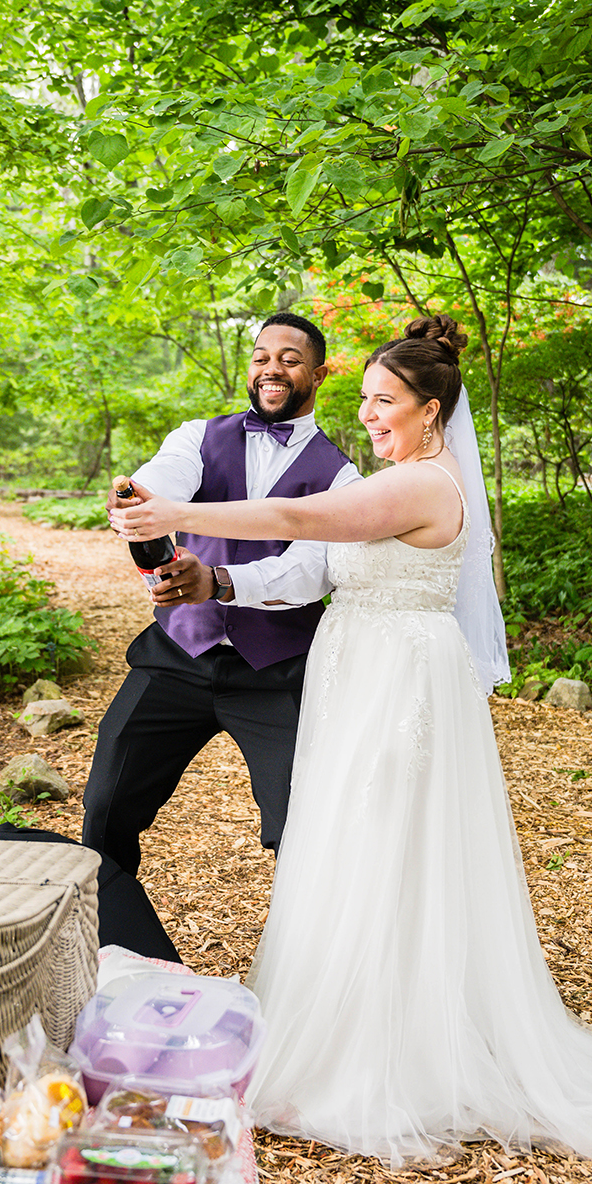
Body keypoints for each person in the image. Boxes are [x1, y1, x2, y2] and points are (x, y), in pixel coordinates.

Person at [111, 314, 592, 1165]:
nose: (367, 414)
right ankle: (343, 1010)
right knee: (345, 843)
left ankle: (391, 1050)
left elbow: (297, 515)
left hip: (401, 685)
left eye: (384, 400)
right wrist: (212, 572)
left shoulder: (426, 485)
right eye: (363, 398)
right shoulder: (390, 475)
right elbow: (310, 564)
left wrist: (178, 511)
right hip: (358, 676)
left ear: (431, 411)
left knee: (387, 844)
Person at [81, 312, 362, 908]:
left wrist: (220, 581)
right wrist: (138, 502)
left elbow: (313, 572)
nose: (271, 368)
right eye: (261, 356)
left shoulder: (342, 476)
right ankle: (109, 948)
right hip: (179, 652)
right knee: (106, 804)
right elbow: (164, 484)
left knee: (300, 826)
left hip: (277, 668)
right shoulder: (195, 436)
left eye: (289, 358)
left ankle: (305, 968)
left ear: (320, 372)